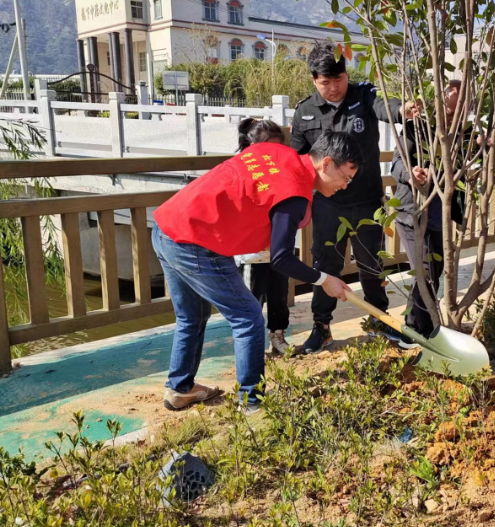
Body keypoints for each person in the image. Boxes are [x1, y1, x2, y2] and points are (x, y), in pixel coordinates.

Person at [151, 131, 358, 412]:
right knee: (248, 317)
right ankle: (251, 402)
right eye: (346, 178)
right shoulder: (295, 193)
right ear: (327, 163)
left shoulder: (278, 153)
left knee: (191, 316)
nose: (346, 186)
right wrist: (324, 280)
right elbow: (282, 259)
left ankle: (180, 388)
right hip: (198, 243)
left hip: (167, 226)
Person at [290, 42, 418, 353]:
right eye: (326, 82)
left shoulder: (363, 96)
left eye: (339, 79)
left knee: (370, 264)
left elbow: (386, 107)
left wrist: (404, 109)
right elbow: (294, 159)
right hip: (327, 204)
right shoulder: (305, 111)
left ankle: (380, 322)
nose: (334, 88)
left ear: (347, 74)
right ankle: (321, 327)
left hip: (367, 201)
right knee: (325, 264)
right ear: (314, 80)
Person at [391, 80, 471, 345]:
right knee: (423, 272)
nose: (453, 110)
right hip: (414, 213)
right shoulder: (417, 129)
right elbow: (396, 166)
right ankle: (416, 332)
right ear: (438, 102)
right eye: (449, 103)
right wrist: (411, 174)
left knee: (434, 273)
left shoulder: (464, 135)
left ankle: (420, 328)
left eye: (461, 105)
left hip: (441, 219)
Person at [232, 118, 293, 355]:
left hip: (278, 247)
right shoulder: (239, 167)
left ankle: (278, 336)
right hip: (251, 250)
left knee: (279, 295)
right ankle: (250, 345)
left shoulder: (281, 167)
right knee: (251, 301)